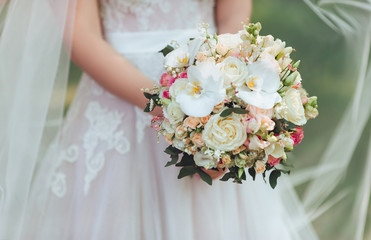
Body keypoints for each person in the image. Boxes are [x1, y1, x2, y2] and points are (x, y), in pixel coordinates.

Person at [3, 0, 369, 239]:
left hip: (209, 90)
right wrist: (172, 109)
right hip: (116, 108)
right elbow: (81, 35)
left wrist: (227, 89)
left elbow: (231, 14)